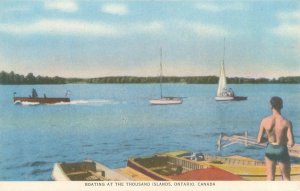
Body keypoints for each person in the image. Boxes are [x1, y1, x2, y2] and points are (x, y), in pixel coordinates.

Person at [257, 96, 295, 181]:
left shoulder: (264, 121)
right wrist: (284, 139)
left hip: (270, 149)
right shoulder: (287, 122)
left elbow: (259, 140)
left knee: (270, 177)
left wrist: (268, 139)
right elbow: (291, 143)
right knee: (286, 178)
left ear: (271, 106)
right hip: (282, 149)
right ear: (281, 106)